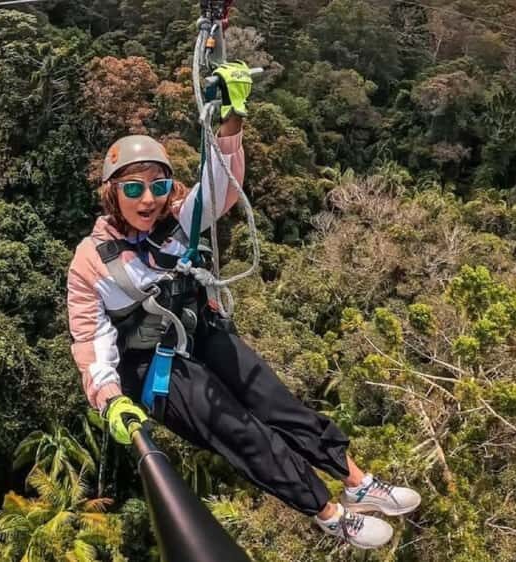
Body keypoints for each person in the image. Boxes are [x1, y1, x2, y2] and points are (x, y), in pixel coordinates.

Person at [66, 62, 420, 549]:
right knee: (242, 432)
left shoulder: (179, 224)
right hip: (155, 368)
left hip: (203, 334)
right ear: (113, 194)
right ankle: (331, 512)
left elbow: (221, 186)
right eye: (133, 188)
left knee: (276, 403)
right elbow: (91, 338)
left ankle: (358, 482)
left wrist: (232, 119)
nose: (147, 199)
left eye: (158, 185)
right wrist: (108, 398)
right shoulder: (92, 260)